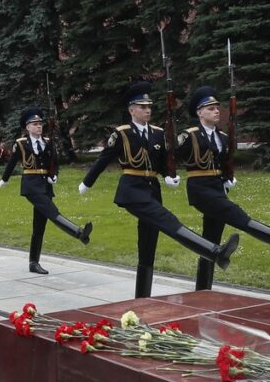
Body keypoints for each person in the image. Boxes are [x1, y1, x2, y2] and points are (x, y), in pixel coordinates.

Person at [79, 81, 239, 298]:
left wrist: (168, 175)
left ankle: (142, 298)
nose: (147, 110)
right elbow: (103, 159)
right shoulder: (122, 133)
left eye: (149, 107)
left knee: (148, 242)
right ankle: (214, 251)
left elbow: (163, 161)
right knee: (167, 220)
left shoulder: (157, 133)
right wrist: (87, 182)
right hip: (132, 189)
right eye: (142, 107)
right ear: (131, 110)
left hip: (152, 189)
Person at [176, 86, 270, 290]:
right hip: (200, 190)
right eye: (210, 108)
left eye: (217, 107)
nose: (216, 111)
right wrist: (168, 173)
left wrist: (227, 177)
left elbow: (223, 163)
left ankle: (202, 289)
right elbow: (171, 157)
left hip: (218, 188)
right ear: (199, 112)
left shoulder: (222, 137)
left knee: (210, 239)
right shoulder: (190, 136)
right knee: (238, 216)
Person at [0, 107, 92, 274]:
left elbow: (54, 163)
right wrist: (4, 179)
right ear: (27, 127)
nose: (38, 126)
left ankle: (33, 263)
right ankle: (79, 233)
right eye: (34, 124)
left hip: (45, 185)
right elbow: (12, 163)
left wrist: (53, 175)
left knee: (39, 226)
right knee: (51, 211)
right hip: (31, 185)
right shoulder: (21, 144)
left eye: (40, 124)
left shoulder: (48, 142)